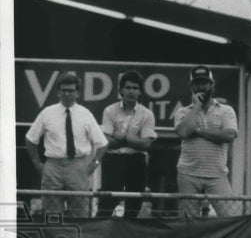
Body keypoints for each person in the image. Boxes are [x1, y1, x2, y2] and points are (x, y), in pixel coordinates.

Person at [25, 72, 108, 218]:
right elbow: (30, 139)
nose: (67, 94)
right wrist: (37, 163)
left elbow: (102, 143)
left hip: (78, 166)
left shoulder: (85, 114)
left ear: (77, 93)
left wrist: (93, 165)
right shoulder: (47, 113)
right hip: (53, 166)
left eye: (71, 91)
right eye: (64, 90)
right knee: (51, 213)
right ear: (58, 92)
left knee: (79, 213)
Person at [173, 65, 239, 218]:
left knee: (228, 217)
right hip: (188, 173)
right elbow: (183, 132)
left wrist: (198, 131)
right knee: (188, 219)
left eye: (205, 82)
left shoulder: (226, 110)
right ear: (192, 86)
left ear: (212, 84)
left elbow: (229, 135)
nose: (201, 86)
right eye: (197, 83)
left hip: (217, 174)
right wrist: (196, 106)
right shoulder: (183, 111)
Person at [96, 71, 158, 218]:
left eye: (135, 88)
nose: (131, 91)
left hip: (136, 161)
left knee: (134, 204)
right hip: (113, 160)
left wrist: (123, 137)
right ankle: (99, 236)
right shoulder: (110, 110)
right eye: (128, 87)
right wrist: (134, 140)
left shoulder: (147, 114)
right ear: (121, 90)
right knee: (107, 203)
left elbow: (146, 145)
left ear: (140, 91)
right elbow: (107, 141)